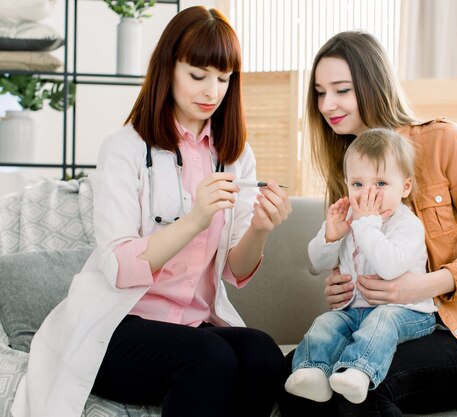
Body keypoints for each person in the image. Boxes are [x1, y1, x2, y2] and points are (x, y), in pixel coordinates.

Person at [12, 7, 291, 417]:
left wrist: (262, 229)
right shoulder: (125, 148)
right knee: (209, 357)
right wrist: (195, 219)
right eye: (198, 75)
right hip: (117, 326)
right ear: (169, 68)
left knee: (263, 355)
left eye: (223, 78)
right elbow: (120, 266)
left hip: (193, 327)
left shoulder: (234, 156)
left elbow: (235, 268)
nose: (212, 91)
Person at [279, 31, 457, 417]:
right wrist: (343, 285)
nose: (327, 104)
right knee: (294, 389)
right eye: (320, 93)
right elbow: (348, 256)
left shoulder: (442, 140)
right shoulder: (351, 170)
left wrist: (423, 285)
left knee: (366, 389)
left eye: (341, 90)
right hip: (378, 324)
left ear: (372, 85)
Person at [285, 128, 437, 405]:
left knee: (383, 320)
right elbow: (318, 263)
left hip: (407, 313)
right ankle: (312, 372)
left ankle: (359, 371)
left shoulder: (407, 225)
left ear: (404, 187)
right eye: (357, 184)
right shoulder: (350, 218)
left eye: (380, 183)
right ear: (346, 185)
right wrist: (331, 236)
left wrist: (366, 224)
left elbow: (389, 267)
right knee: (326, 322)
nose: (368, 193)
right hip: (354, 312)